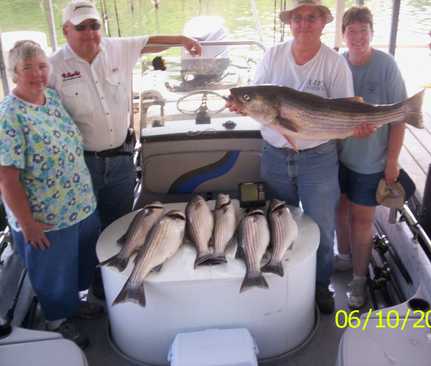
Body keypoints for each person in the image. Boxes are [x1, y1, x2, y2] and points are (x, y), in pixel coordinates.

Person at [49, 0, 201, 299]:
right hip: (80, 164)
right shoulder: (53, 66)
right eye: (81, 27)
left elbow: (150, 42)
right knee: (86, 229)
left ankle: (118, 277)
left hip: (121, 159)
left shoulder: (116, 47)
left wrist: (182, 40)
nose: (90, 32)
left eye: (94, 25)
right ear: (66, 30)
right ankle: (92, 283)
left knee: (120, 224)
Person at [228, 0, 355, 314]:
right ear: (290, 23)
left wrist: (358, 126)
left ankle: (319, 286)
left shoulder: (334, 63)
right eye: (297, 18)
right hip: (274, 156)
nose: (304, 23)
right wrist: (241, 104)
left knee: (323, 229)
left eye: (311, 17)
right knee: (277, 222)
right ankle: (281, 278)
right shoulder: (273, 56)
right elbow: (255, 100)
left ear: (323, 22)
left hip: (319, 158)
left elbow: (348, 108)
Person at [0, 40, 102, 348]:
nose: (37, 73)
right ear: (14, 72)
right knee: (53, 273)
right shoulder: (9, 114)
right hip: (46, 217)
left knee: (83, 262)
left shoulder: (52, 98)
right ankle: (57, 318)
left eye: (42, 66)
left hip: (80, 205)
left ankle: (78, 302)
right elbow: (6, 178)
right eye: (27, 68)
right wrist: (28, 224)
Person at [335, 6, 407, 308]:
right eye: (352, 30)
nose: (358, 36)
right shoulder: (337, 64)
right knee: (338, 210)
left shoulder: (386, 65)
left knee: (362, 220)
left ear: (371, 33)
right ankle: (344, 257)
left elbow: (400, 115)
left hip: (370, 161)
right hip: (336, 156)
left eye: (364, 30)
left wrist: (392, 160)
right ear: (343, 34)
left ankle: (359, 280)